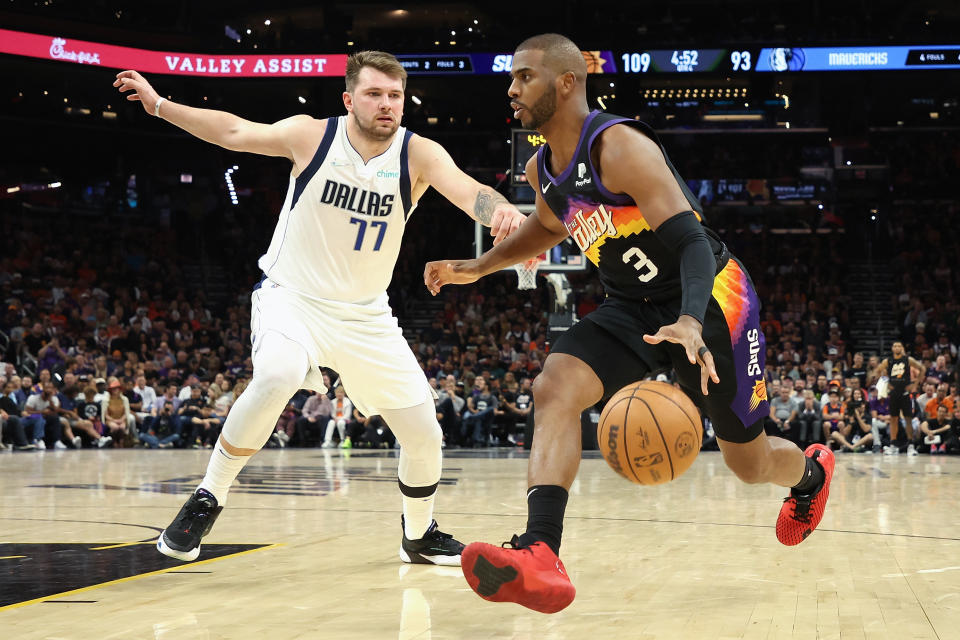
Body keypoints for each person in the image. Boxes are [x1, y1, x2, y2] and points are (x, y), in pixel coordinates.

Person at [423, 33, 835, 613]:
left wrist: (691, 321)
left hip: (712, 302)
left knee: (751, 462)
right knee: (554, 387)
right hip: (632, 308)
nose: (512, 89)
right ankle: (542, 552)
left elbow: (692, 241)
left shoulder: (618, 146)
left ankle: (811, 476)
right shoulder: (544, 168)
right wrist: (478, 267)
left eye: (525, 77)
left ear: (567, 82)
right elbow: (546, 227)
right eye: (512, 79)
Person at [115, 49, 524, 566]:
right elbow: (234, 132)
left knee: (425, 433)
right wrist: (158, 105)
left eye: (395, 96)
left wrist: (500, 209)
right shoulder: (312, 135)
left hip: (365, 315)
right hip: (293, 298)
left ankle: (418, 536)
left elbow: (470, 191)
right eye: (374, 94)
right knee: (277, 374)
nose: (386, 105)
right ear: (350, 98)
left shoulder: (418, 154)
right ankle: (208, 497)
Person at [875, 341, 923, 454]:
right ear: (892, 348)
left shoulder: (908, 359)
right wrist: (886, 380)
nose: (897, 347)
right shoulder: (888, 361)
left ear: (902, 348)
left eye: (899, 346)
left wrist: (914, 385)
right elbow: (878, 371)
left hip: (905, 393)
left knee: (908, 419)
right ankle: (893, 445)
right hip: (893, 394)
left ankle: (911, 445)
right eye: (895, 346)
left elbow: (922, 369)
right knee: (893, 419)